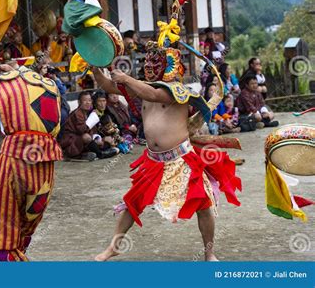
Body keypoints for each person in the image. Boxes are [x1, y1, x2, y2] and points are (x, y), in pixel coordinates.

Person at [92, 42, 241, 262]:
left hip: (182, 159)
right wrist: (94, 64)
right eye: (147, 61)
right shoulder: (141, 87)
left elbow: (154, 94)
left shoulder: (178, 90)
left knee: (203, 205)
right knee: (132, 202)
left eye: (155, 62)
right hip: (154, 161)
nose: (149, 66)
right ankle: (114, 246)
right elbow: (108, 85)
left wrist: (126, 78)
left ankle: (209, 252)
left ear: (169, 66)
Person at [0, 62, 63, 261]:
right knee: (24, 229)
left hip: (13, 160)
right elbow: (56, 126)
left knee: (0, 234)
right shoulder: (51, 86)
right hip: (46, 166)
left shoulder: (0, 85)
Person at [59, 91, 118, 161]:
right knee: (86, 137)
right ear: (79, 102)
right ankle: (100, 154)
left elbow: (92, 130)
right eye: (85, 100)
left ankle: (89, 153)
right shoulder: (77, 113)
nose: (88, 103)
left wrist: (99, 138)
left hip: (80, 140)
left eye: (89, 100)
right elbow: (81, 130)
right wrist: (91, 121)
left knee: (104, 141)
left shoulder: (86, 112)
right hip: (70, 142)